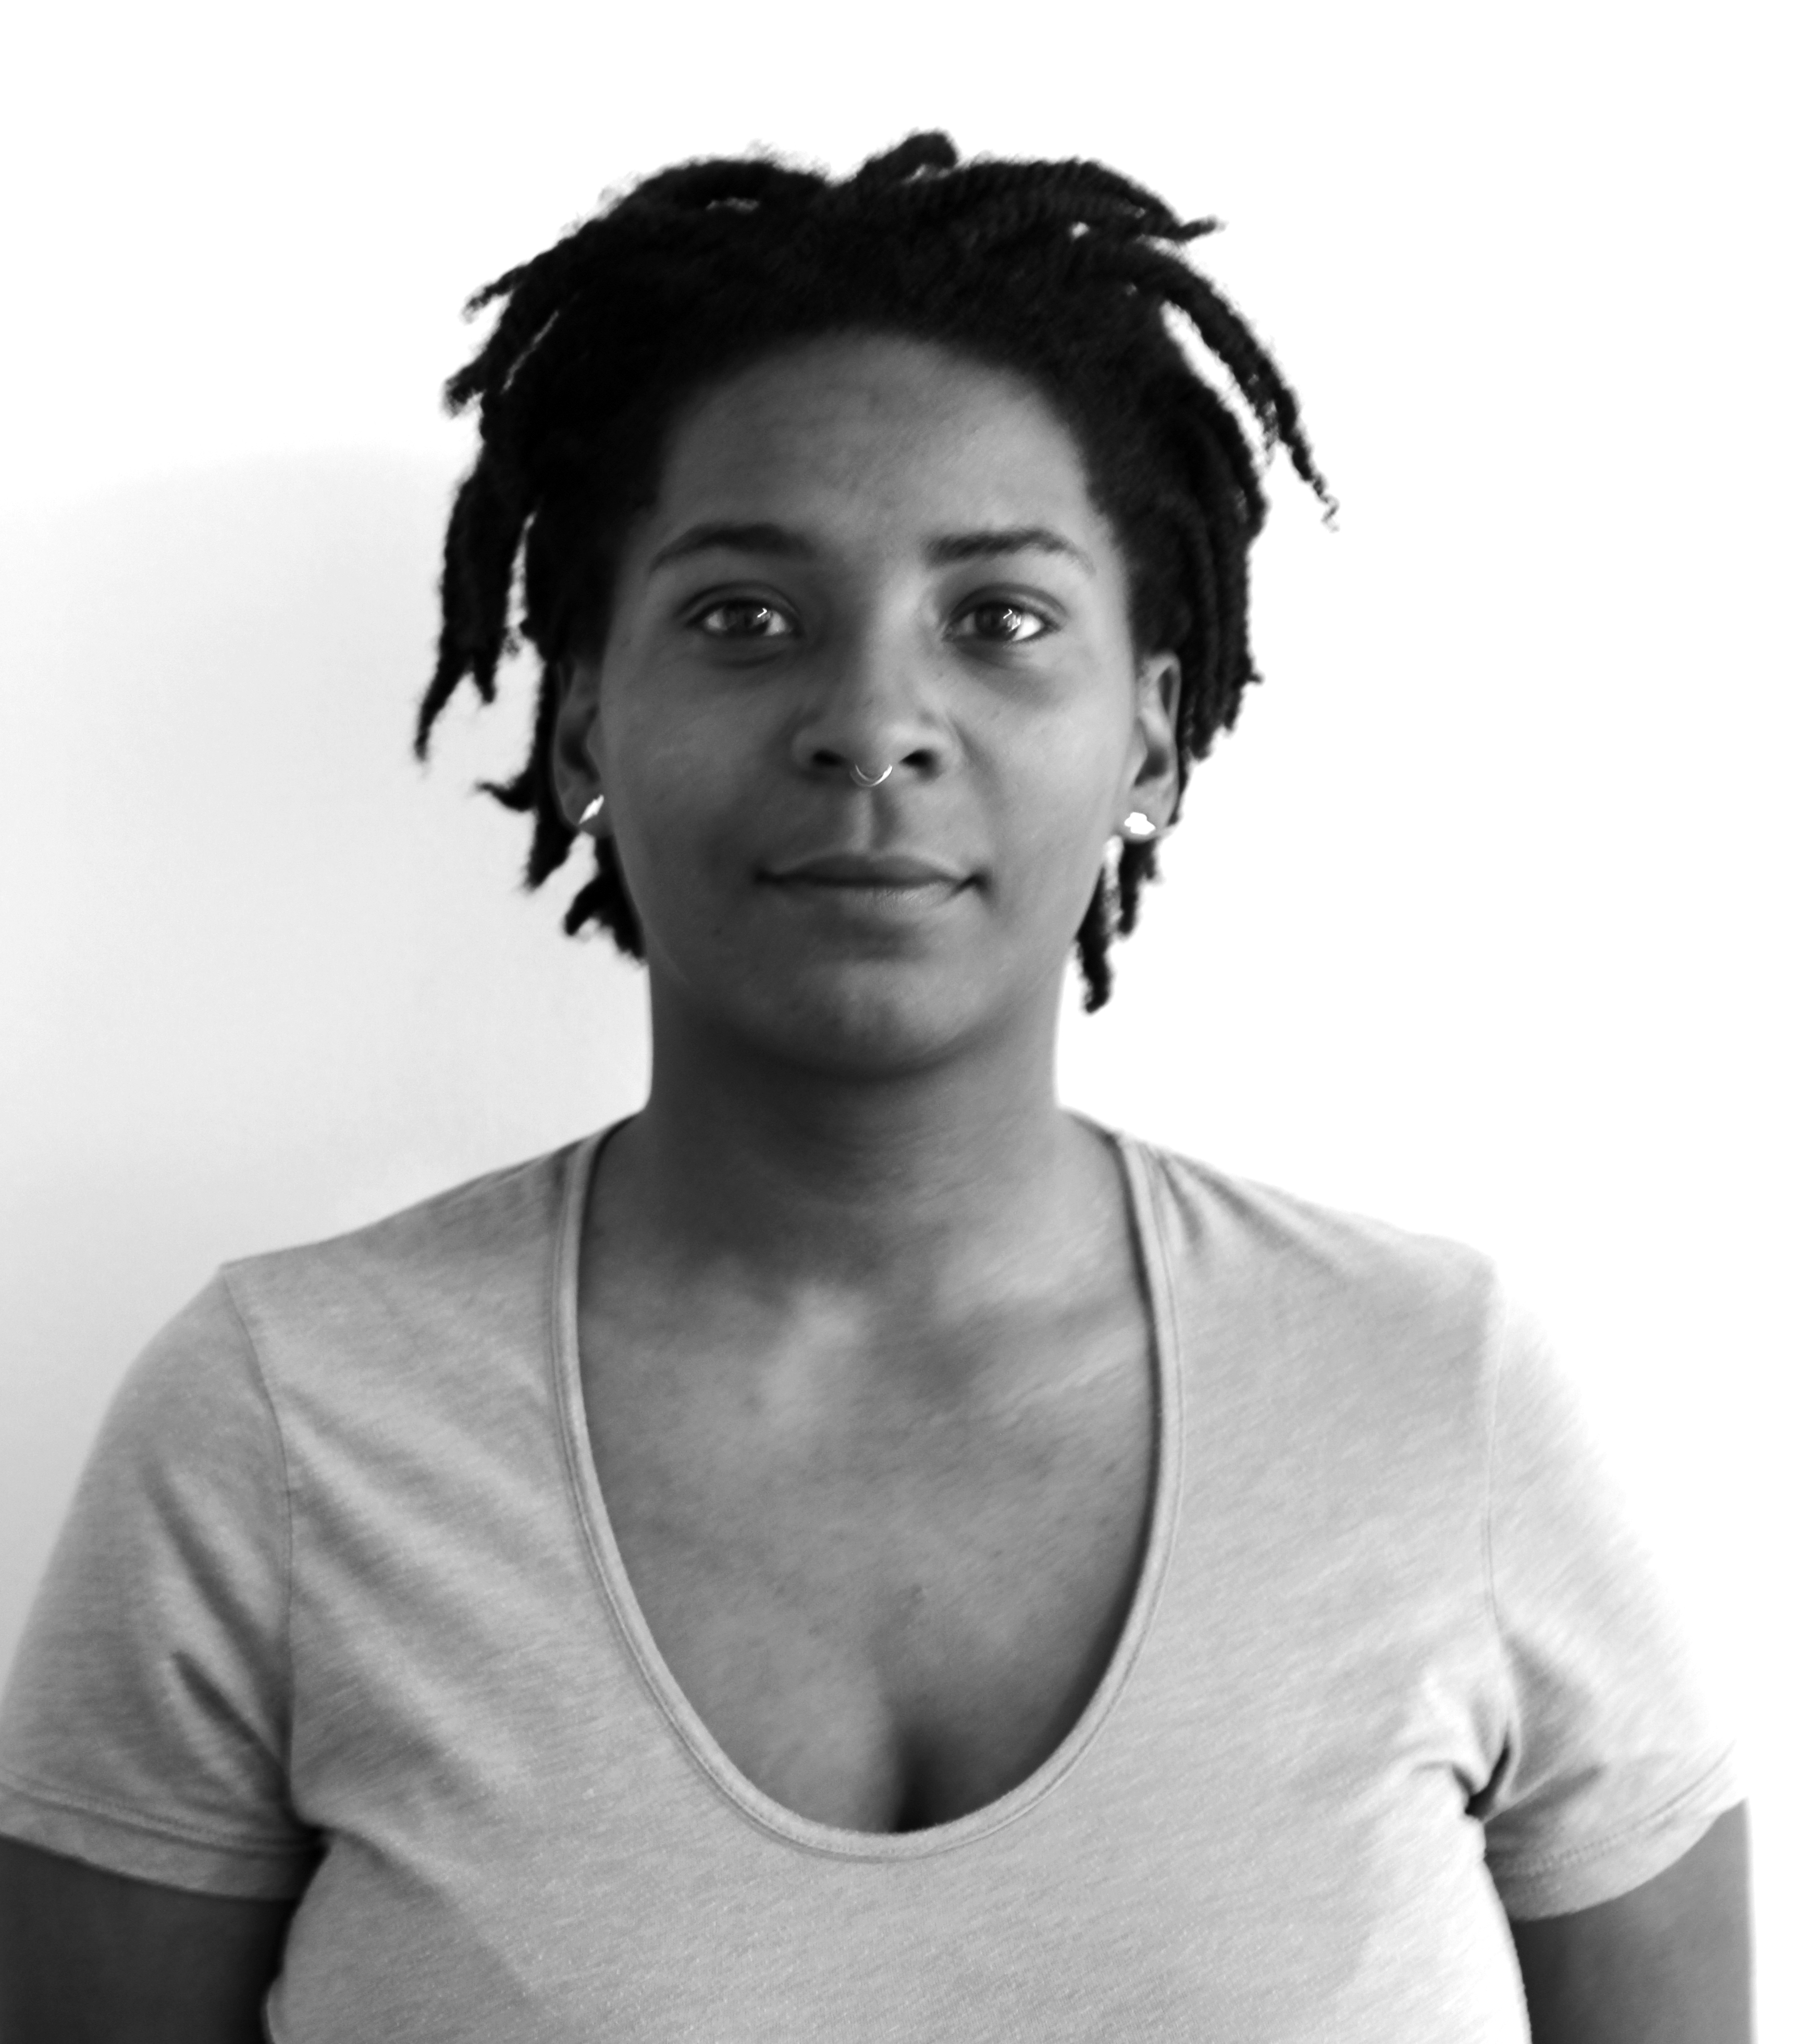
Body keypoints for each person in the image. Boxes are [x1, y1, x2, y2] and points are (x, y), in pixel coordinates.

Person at [0, 134, 1751, 2041]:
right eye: (745, 616)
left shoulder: (1435, 1391)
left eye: (999, 618)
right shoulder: (280, 1422)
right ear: (583, 720)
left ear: (1153, 736)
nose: (871, 723)